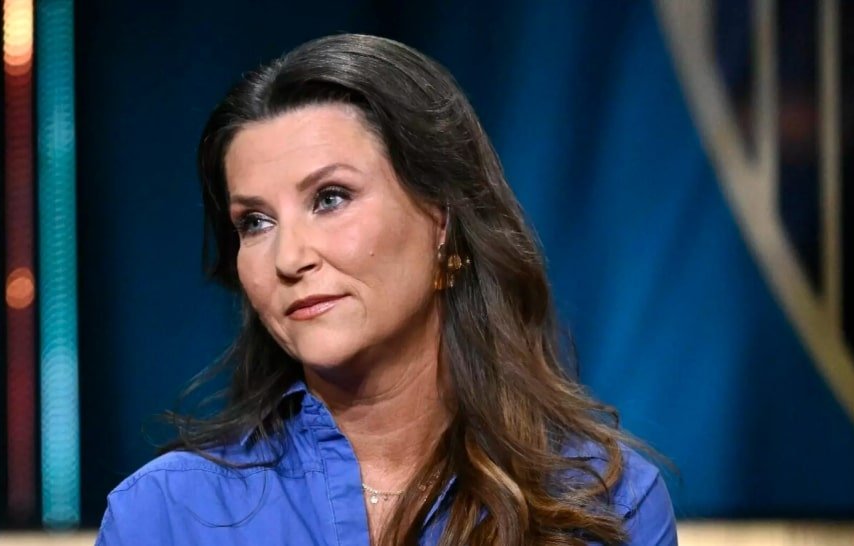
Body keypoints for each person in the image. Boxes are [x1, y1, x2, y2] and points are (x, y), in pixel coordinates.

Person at [95, 33, 677, 546]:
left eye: (330, 198)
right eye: (255, 222)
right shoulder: (166, 515)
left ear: (441, 219)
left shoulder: (602, 503)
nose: (290, 258)